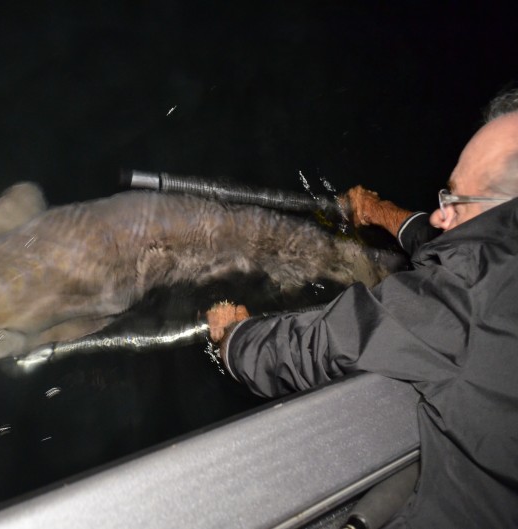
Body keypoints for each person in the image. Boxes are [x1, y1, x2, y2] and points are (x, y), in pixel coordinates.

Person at [207, 88, 518, 528]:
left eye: (453, 200)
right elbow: (472, 246)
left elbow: (316, 348)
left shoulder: (468, 302)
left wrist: (237, 338)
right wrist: (379, 212)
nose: (437, 215)